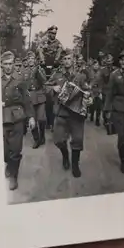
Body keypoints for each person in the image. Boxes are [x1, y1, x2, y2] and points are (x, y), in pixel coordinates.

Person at [47, 49, 91, 178]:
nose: (67, 61)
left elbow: (88, 91)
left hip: (76, 114)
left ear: (73, 60)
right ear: (62, 61)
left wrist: (89, 98)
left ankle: (75, 164)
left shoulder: (80, 76)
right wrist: (52, 89)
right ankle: (65, 155)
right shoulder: (57, 75)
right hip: (61, 112)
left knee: (77, 140)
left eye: (69, 59)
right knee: (59, 140)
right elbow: (46, 87)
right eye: (64, 59)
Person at [2, 51, 35, 191]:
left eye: (10, 64)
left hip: (17, 117)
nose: (8, 67)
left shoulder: (20, 78)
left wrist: (31, 116)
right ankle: (8, 164)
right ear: (1, 64)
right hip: (2, 116)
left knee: (15, 150)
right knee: (4, 151)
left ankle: (14, 177)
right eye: (5, 64)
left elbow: (26, 99)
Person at [37, 25, 63, 130]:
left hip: (54, 66)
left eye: (55, 34)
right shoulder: (44, 41)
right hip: (44, 65)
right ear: (48, 33)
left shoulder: (58, 43)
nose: (53, 35)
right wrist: (42, 60)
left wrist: (56, 60)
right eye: (51, 33)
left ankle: (52, 120)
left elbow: (61, 51)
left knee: (53, 97)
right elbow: (39, 50)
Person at [25, 50, 47, 148]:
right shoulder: (24, 70)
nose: (30, 60)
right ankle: (36, 139)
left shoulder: (39, 69)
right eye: (29, 58)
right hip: (29, 96)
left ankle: (42, 135)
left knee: (41, 119)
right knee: (32, 119)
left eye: (32, 58)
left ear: (35, 60)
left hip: (39, 95)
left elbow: (44, 80)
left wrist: (38, 70)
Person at [99, 54, 115, 127]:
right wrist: (100, 91)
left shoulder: (116, 70)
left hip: (113, 91)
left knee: (113, 107)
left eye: (110, 61)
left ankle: (111, 121)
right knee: (105, 107)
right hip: (105, 91)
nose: (109, 62)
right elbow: (100, 81)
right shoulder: (103, 70)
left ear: (113, 61)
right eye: (108, 61)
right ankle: (105, 120)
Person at [88, 60, 103, 126]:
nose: (96, 66)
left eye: (97, 65)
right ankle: (91, 114)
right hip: (91, 90)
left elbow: (102, 82)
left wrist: (100, 90)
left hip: (98, 90)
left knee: (99, 106)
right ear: (92, 66)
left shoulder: (101, 72)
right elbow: (88, 81)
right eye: (94, 65)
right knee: (92, 105)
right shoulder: (90, 72)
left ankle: (97, 119)